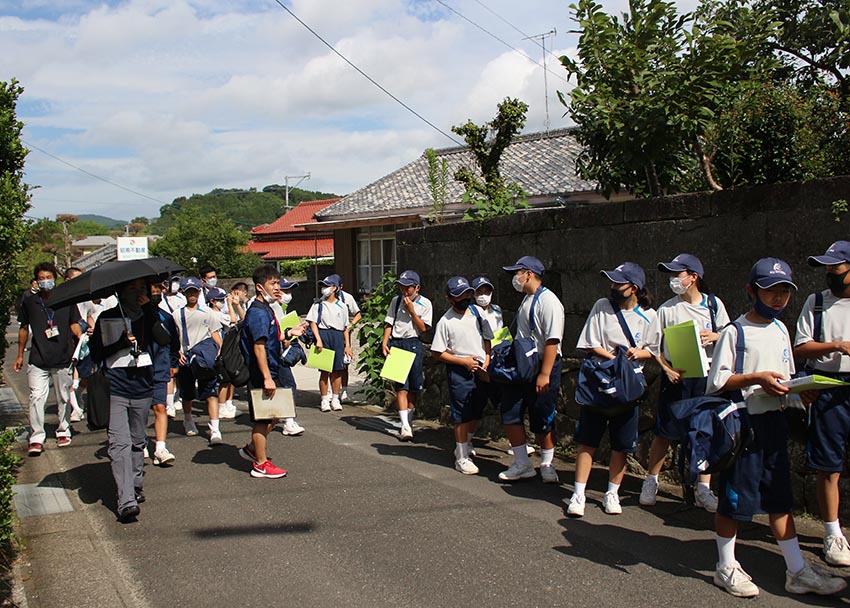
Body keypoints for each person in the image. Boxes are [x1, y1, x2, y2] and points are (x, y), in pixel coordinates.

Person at [706, 258, 845, 598]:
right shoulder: (735, 332)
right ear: (751, 291)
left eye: (784, 291)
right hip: (744, 427)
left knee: (780, 499)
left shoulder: (782, 329)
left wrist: (800, 391)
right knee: (733, 500)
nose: (778, 297)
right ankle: (725, 565)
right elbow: (718, 382)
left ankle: (797, 570)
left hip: (775, 424)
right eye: (770, 290)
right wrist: (755, 379)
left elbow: (786, 377)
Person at [641, 253, 728, 512]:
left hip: (707, 376)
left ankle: (704, 487)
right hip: (678, 376)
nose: (673, 279)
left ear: (693, 277)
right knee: (666, 431)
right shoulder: (667, 309)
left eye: (677, 274)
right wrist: (666, 369)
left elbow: (730, 335)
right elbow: (653, 345)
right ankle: (651, 480)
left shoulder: (713, 305)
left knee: (706, 432)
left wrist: (715, 336)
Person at [568, 263, 657, 516]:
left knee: (622, 444)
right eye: (612, 282)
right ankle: (578, 493)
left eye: (619, 283)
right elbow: (590, 343)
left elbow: (655, 349)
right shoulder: (602, 306)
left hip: (628, 386)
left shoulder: (650, 315)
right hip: (600, 380)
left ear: (634, 288)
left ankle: (612, 493)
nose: (613, 287)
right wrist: (614, 360)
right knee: (587, 440)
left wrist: (638, 354)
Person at [89, 278, 165, 523]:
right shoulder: (107, 317)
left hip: (142, 388)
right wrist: (119, 344)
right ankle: (126, 501)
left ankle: (135, 485)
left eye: (142, 288)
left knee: (137, 441)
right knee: (119, 444)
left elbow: (164, 340)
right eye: (132, 289)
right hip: (116, 388)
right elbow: (96, 352)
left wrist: (149, 311)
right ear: (120, 292)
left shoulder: (150, 316)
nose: (138, 292)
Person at [794, 240, 850, 566]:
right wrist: (836, 346)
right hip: (828, 388)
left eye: (836, 268)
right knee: (828, 465)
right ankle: (831, 533)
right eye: (826, 268)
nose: (830, 274)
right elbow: (801, 347)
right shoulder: (816, 302)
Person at [498, 256, 564, 483]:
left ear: (529, 274)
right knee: (510, 411)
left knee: (542, 416)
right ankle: (522, 462)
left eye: (517, 273)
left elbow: (552, 340)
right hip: (521, 364)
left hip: (542, 364)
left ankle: (547, 463)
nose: (514, 278)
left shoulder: (549, 301)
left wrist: (544, 374)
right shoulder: (526, 299)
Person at [238, 265, 306, 478]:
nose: (278, 288)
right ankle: (260, 464)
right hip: (261, 373)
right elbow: (259, 347)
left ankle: (253, 448)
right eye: (273, 284)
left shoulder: (266, 308)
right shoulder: (258, 312)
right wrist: (267, 378)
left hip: (271, 369)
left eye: (278, 283)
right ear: (260, 287)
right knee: (263, 418)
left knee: (275, 413)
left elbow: (270, 339)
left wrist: (289, 333)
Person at [14, 262, 80, 455]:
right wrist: (20, 355)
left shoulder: (66, 300)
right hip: (38, 358)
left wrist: (81, 337)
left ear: (55, 278)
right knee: (36, 397)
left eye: (48, 277)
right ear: (36, 281)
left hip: (62, 357)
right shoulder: (30, 301)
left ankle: (63, 430)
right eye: (41, 278)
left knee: (63, 397)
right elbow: (23, 328)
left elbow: (74, 323)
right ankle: (36, 437)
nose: (45, 281)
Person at [431, 276, 493, 475]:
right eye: (459, 296)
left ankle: (466, 443)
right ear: (450, 298)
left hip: (480, 368)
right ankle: (461, 456)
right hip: (459, 370)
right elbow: (437, 352)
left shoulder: (477, 312)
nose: (464, 298)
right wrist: (463, 361)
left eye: (467, 294)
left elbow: (487, 338)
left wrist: (487, 359)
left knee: (477, 410)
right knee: (462, 414)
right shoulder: (445, 321)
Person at [381, 270, 433, 441]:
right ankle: (404, 425)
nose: (404, 291)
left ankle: (408, 421)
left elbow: (423, 328)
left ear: (417, 288)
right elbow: (389, 322)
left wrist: (412, 310)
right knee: (401, 386)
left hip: (414, 343)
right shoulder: (396, 301)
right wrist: (385, 342)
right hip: (397, 343)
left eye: (408, 287)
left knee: (414, 387)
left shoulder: (425, 304)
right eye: (402, 287)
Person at [172, 276, 223, 444]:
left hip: (204, 357)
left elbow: (215, 333)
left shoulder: (208, 312)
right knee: (187, 393)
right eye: (188, 292)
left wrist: (220, 349)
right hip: (186, 357)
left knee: (211, 392)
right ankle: (188, 420)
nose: (192, 295)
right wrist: (177, 352)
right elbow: (174, 337)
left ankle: (215, 428)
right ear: (183, 293)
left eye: (194, 291)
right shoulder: (177, 314)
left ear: (199, 292)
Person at [307, 275, 353, 412]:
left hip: (338, 336)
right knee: (324, 370)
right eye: (323, 286)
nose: (324, 289)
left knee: (338, 370)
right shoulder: (318, 305)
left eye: (327, 286)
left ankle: (335, 398)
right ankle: (324, 399)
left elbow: (345, 328)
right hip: (324, 334)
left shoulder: (342, 306)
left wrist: (347, 345)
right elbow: (312, 322)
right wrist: (318, 339)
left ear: (334, 288)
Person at [148, 281, 178, 466]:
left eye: (158, 290)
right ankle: (139, 442)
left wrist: (173, 363)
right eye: (152, 291)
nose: (155, 294)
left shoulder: (166, 317)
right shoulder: (135, 318)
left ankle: (160, 447)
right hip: (140, 370)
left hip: (161, 366)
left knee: (160, 407)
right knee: (140, 410)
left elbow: (174, 342)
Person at [330, 275, 362, 403]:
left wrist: (350, 325)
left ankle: (344, 390)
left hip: (344, 333)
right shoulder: (324, 298)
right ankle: (332, 390)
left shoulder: (347, 298)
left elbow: (358, 314)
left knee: (344, 363)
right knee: (330, 364)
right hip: (330, 333)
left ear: (340, 286)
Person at [208, 287, 238, 420]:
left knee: (230, 378)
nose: (222, 302)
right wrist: (230, 305)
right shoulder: (214, 314)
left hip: (226, 349)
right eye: (220, 300)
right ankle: (221, 407)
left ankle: (227, 404)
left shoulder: (220, 313)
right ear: (212, 301)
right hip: (219, 350)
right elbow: (233, 320)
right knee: (224, 380)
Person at [158, 275, 184, 419]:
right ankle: (168, 404)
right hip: (163, 339)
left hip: (177, 337)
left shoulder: (181, 298)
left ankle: (174, 399)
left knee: (173, 372)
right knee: (168, 374)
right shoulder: (160, 302)